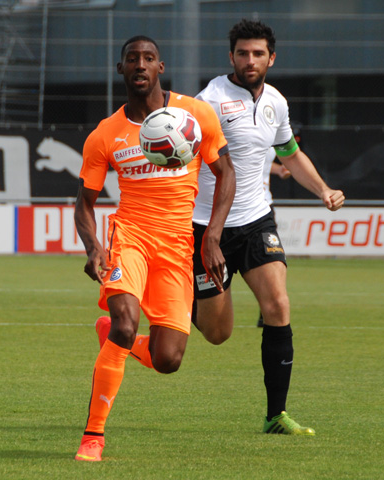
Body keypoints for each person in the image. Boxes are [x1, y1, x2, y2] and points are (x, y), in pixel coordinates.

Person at [73, 35, 235, 462]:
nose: (140, 65)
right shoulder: (105, 134)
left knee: (168, 359)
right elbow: (84, 203)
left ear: (161, 67)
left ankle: (118, 338)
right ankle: (93, 436)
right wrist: (93, 247)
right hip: (131, 238)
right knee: (125, 324)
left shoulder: (195, 115)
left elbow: (226, 173)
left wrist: (212, 236)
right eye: (132, 59)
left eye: (148, 58)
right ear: (121, 69)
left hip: (178, 245)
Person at [192, 19, 345, 436]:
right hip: (207, 228)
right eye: (242, 53)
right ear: (231, 57)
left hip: (257, 220)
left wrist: (323, 189)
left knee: (277, 304)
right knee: (217, 334)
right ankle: (185, 299)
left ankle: (275, 415)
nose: (250, 60)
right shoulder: (209, 101)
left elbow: (289, 153)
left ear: (271, 58)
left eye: (258, 53)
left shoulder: (276, 101)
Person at [257, 147, 291, 327]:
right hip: (233, 209)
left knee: (272, 260)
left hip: (264, 209)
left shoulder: (274, 133)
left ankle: (267, 312)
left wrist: (279, 170)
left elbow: (263, 162)